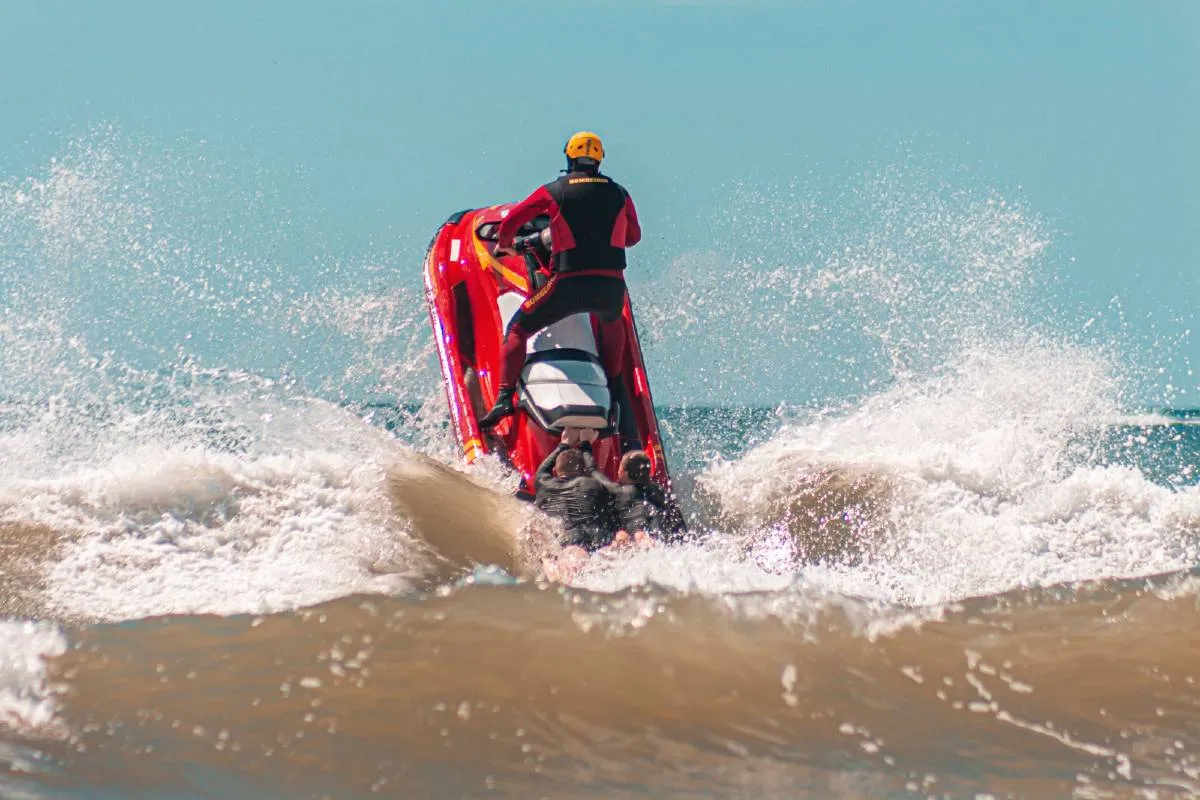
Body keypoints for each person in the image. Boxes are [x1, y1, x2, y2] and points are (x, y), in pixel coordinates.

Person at [478, 131, 642, 429]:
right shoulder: (620, 193)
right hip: (610, 289)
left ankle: (503, 399)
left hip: (568, 286)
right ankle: (616, 390)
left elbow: (512, 221)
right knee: (611, 321)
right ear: (599, 160)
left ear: (569, 158)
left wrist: (505, 245)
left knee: (517, 329)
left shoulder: (555, 190)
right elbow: (633, 237)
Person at [532, 428, 619, 551]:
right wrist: (586, 445)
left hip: (560, 543)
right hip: (593, 541)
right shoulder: (593, 484)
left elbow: (542, 470)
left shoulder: (544, 484)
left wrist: (564, 443)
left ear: (555, 471)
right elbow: (593, 471)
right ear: (584, 471)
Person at [593, 450, 687, 544]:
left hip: (638, 530)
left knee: (622, 537)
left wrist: (587, 450)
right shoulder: (660, 490)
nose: (618, 471)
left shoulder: (621, 491)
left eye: (620, 468)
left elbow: (599, 477)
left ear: (624, 473)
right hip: (657, 527)